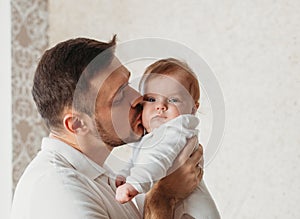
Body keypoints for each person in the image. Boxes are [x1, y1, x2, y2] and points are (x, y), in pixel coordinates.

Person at [10, 37, 204, 219]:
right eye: (119, 96)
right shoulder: (59, 191)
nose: (138, 98)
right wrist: (164, 196)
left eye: (128, 83)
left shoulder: (105, 176)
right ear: (77, 124)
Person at [115, 58, 220, 218]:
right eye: (151, 99)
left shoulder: (177, 129)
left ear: (193, 108)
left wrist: (134, 184)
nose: (160, 106)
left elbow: (158, 158)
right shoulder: (151, 137)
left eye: (173, 100)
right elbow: (138, 159)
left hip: (189, 212)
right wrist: (124, 174)